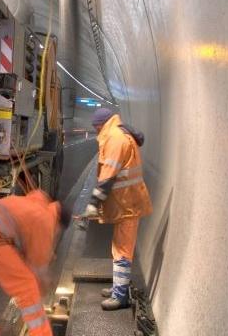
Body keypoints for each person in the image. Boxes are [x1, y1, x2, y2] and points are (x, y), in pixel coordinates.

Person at [0, 189, 61, 336]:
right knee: (27, 284)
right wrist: (43, 286)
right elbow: (37, 264)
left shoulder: (29, 204)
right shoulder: (45, 218)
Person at [82, 108, 153, 311]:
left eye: (96, 128)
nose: (96, 132)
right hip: (125, 203)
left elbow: (107, 176)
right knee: (118, 246)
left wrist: (93, 203)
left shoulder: (115, 139)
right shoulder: (116, 134)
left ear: (100, 125)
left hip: (128, 204)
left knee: (123, 250)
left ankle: (120, 297)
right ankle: (117, 288)